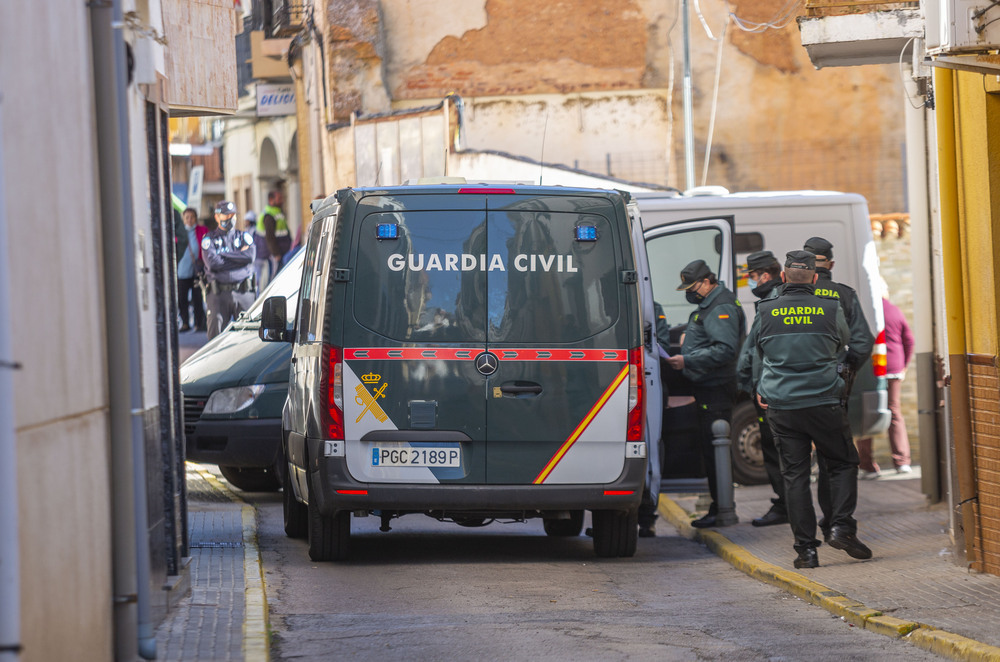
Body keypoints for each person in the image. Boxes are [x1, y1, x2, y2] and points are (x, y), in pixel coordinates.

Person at [751, 250, 872, 568]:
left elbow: (757, 348)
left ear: (782, 278)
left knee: (795, 477)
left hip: (783, 406)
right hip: (823, 403)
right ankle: (841, 526)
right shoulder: (830, 308)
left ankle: (806, 550)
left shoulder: (765, 310)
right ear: (816, 279)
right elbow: (844, 343)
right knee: (843, 463)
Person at [802, 237, 874, 541]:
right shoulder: (844, 294)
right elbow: (862, 341)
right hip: (832, 388)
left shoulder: (786, 296)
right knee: (837, 457)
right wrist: (846, 369)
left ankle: (806, 541)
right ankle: (837, 524)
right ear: (830, 264)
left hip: (790, 392)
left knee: (797, 469)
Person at [665, 259, 746, 528]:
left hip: (716, 388)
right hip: (708, 386)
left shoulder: (720, 306)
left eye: (693, 286)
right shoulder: (711, 304)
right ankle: (718, 506)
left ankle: (722, 509)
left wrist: (688, 361)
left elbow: (724, 350)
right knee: (712, 449)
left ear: (708, 281)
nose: (690, 292)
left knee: (716, 450)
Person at [737, 250, 787, 527]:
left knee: (777, 451)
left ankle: (786, 506)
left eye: (753, 277)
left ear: (765, 275)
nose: (752, 283)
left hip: (771, 393)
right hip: (767, 390)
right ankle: (785, 503)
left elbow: (761, 351)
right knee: (776, 452)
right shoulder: (770, 300)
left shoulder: (773, 302)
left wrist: (748, 381)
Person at [856, 290, 914, 477]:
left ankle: (867, 465)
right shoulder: (895, 311)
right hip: (894, 368)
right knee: (894, 412)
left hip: (871, 368)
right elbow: (909, 340)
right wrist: (904, 366)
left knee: (866, 412)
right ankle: (902, 461)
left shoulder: (863, 310)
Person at [201, 200, 256, 339]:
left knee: (248, 338)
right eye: (226, 215)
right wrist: (238, 258)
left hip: (243, 292)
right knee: (216, 339)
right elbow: (213, 264)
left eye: (233, 215)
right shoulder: (209, 239)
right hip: (219, 294)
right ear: (217, 217)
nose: (230, 218)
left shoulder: (244, 237)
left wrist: (223, 255)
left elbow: (250, 256)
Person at [176, 207, 208, 332]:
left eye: (192, 217)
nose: (189, 220)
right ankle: (185, 323)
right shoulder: (178, 232)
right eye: (187, 217)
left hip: (197, 270)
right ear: (183, 219)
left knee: (197, 299)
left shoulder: (202, 230)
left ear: (196, 218)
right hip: (182, 271)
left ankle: (199, 323)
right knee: (182, 299)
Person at [257, 189, 292, 281]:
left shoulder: (277, 212)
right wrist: (276, 253)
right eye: (279, 198)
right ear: (271, 200)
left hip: (282, 251)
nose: (282, 201)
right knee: (275, 278)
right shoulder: (269, 215)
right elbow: (270, 237)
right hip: (275, 254)